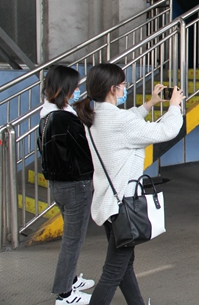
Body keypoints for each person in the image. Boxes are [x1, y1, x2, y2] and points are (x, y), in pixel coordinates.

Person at [75, 63, 184, 305]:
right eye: (123, 84)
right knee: (114, 270)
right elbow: (165, 131)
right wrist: (174, 107)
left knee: (124, 263)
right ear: (112, 88)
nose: (125, 88)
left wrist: (150, 103)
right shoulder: (119, 120)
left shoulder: (94, 116)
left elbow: (126, 122)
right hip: (124, 205)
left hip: (108, 202)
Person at [38, 65, 96, 305]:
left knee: (71, 238)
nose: (78, 90)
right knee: (73, 240)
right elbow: (85, 152)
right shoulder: (65, 119)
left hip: (58, 185)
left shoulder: (47, 115)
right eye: (75, 87)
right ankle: (65, 294)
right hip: (75, 186)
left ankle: (71, 280)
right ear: (65, 88)